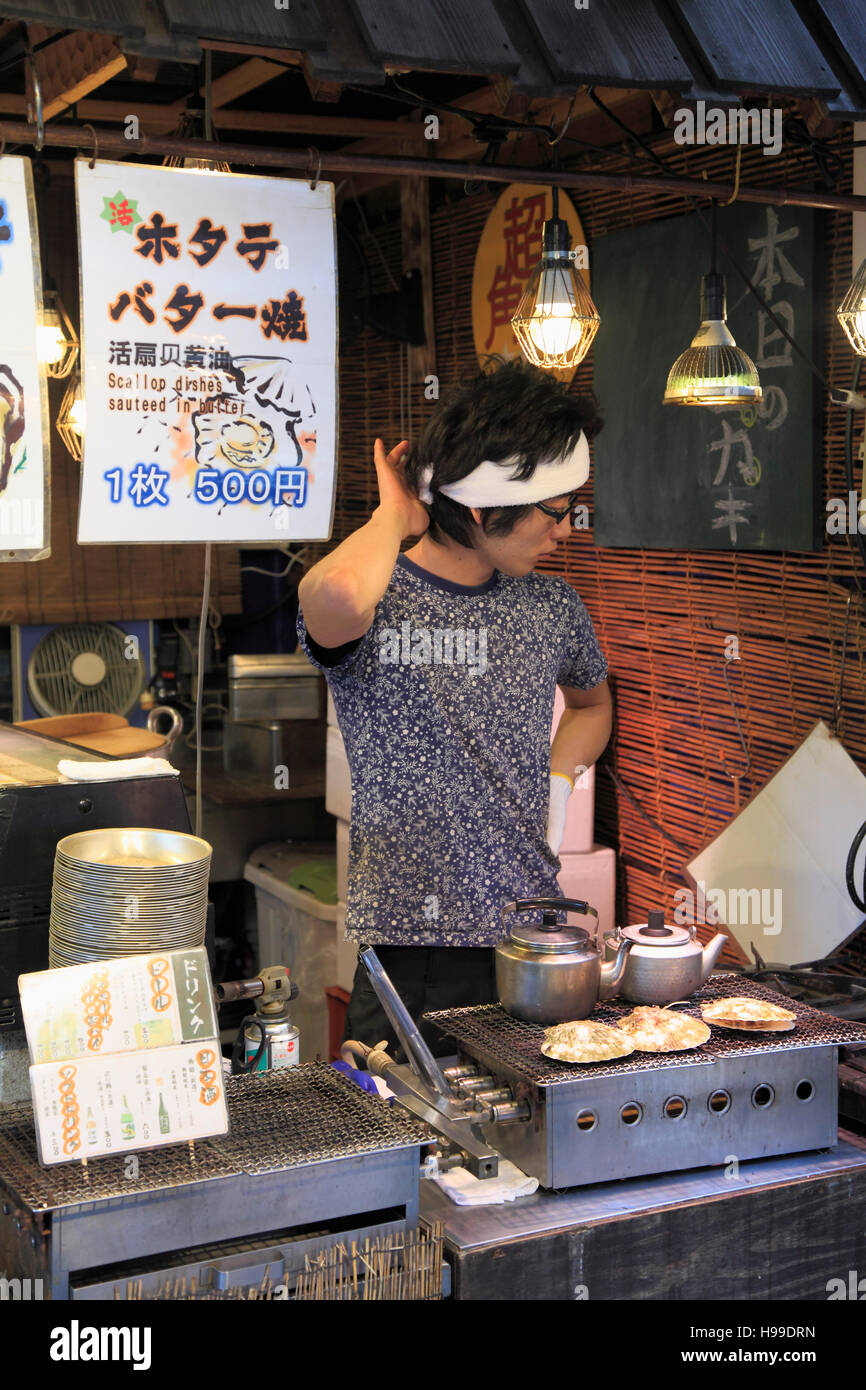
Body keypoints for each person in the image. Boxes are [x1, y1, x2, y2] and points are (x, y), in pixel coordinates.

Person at [296, 358, 612, 1058]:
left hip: (534, 940)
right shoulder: (380, 604)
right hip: (415, 954)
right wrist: (393, 517)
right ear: (481, 508)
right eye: (555, 513)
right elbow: (333, 598)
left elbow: (593, 705)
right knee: (411, 1155)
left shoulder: (551, 607)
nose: (565, 531)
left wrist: (558, 782)